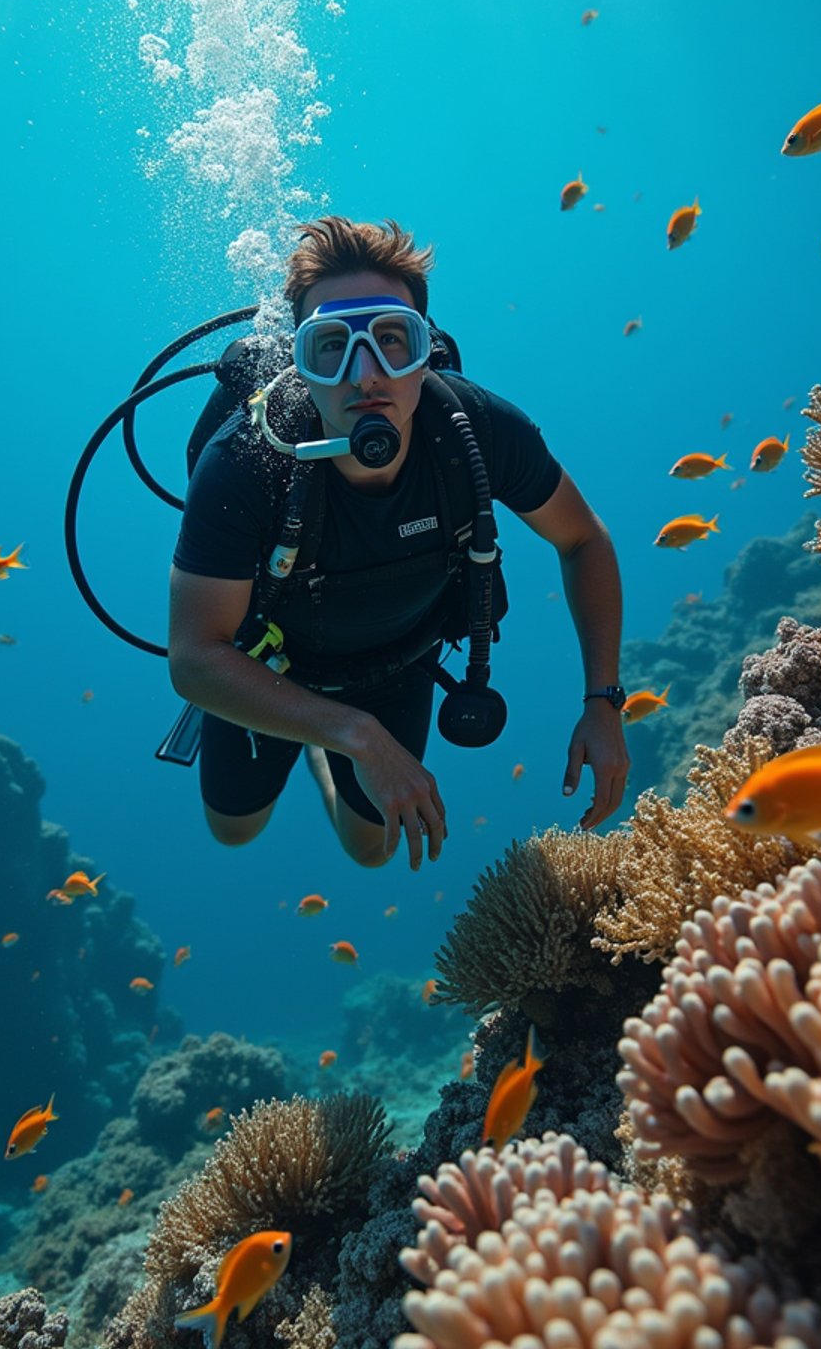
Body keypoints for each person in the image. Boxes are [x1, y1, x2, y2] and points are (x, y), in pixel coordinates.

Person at [168, 217, 630, 870]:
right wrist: (357, 736)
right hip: (265, 667)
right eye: (331, 346)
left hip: (397, 661)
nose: (365, 376)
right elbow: (193, 659)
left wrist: (603, 702)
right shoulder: (245, 460)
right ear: (300, 363)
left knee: (370, 849)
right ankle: (313, 735)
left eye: (392, 340)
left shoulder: (480, 431)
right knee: (234, 830)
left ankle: (323, 749)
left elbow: (583, 537)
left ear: (427, 348)